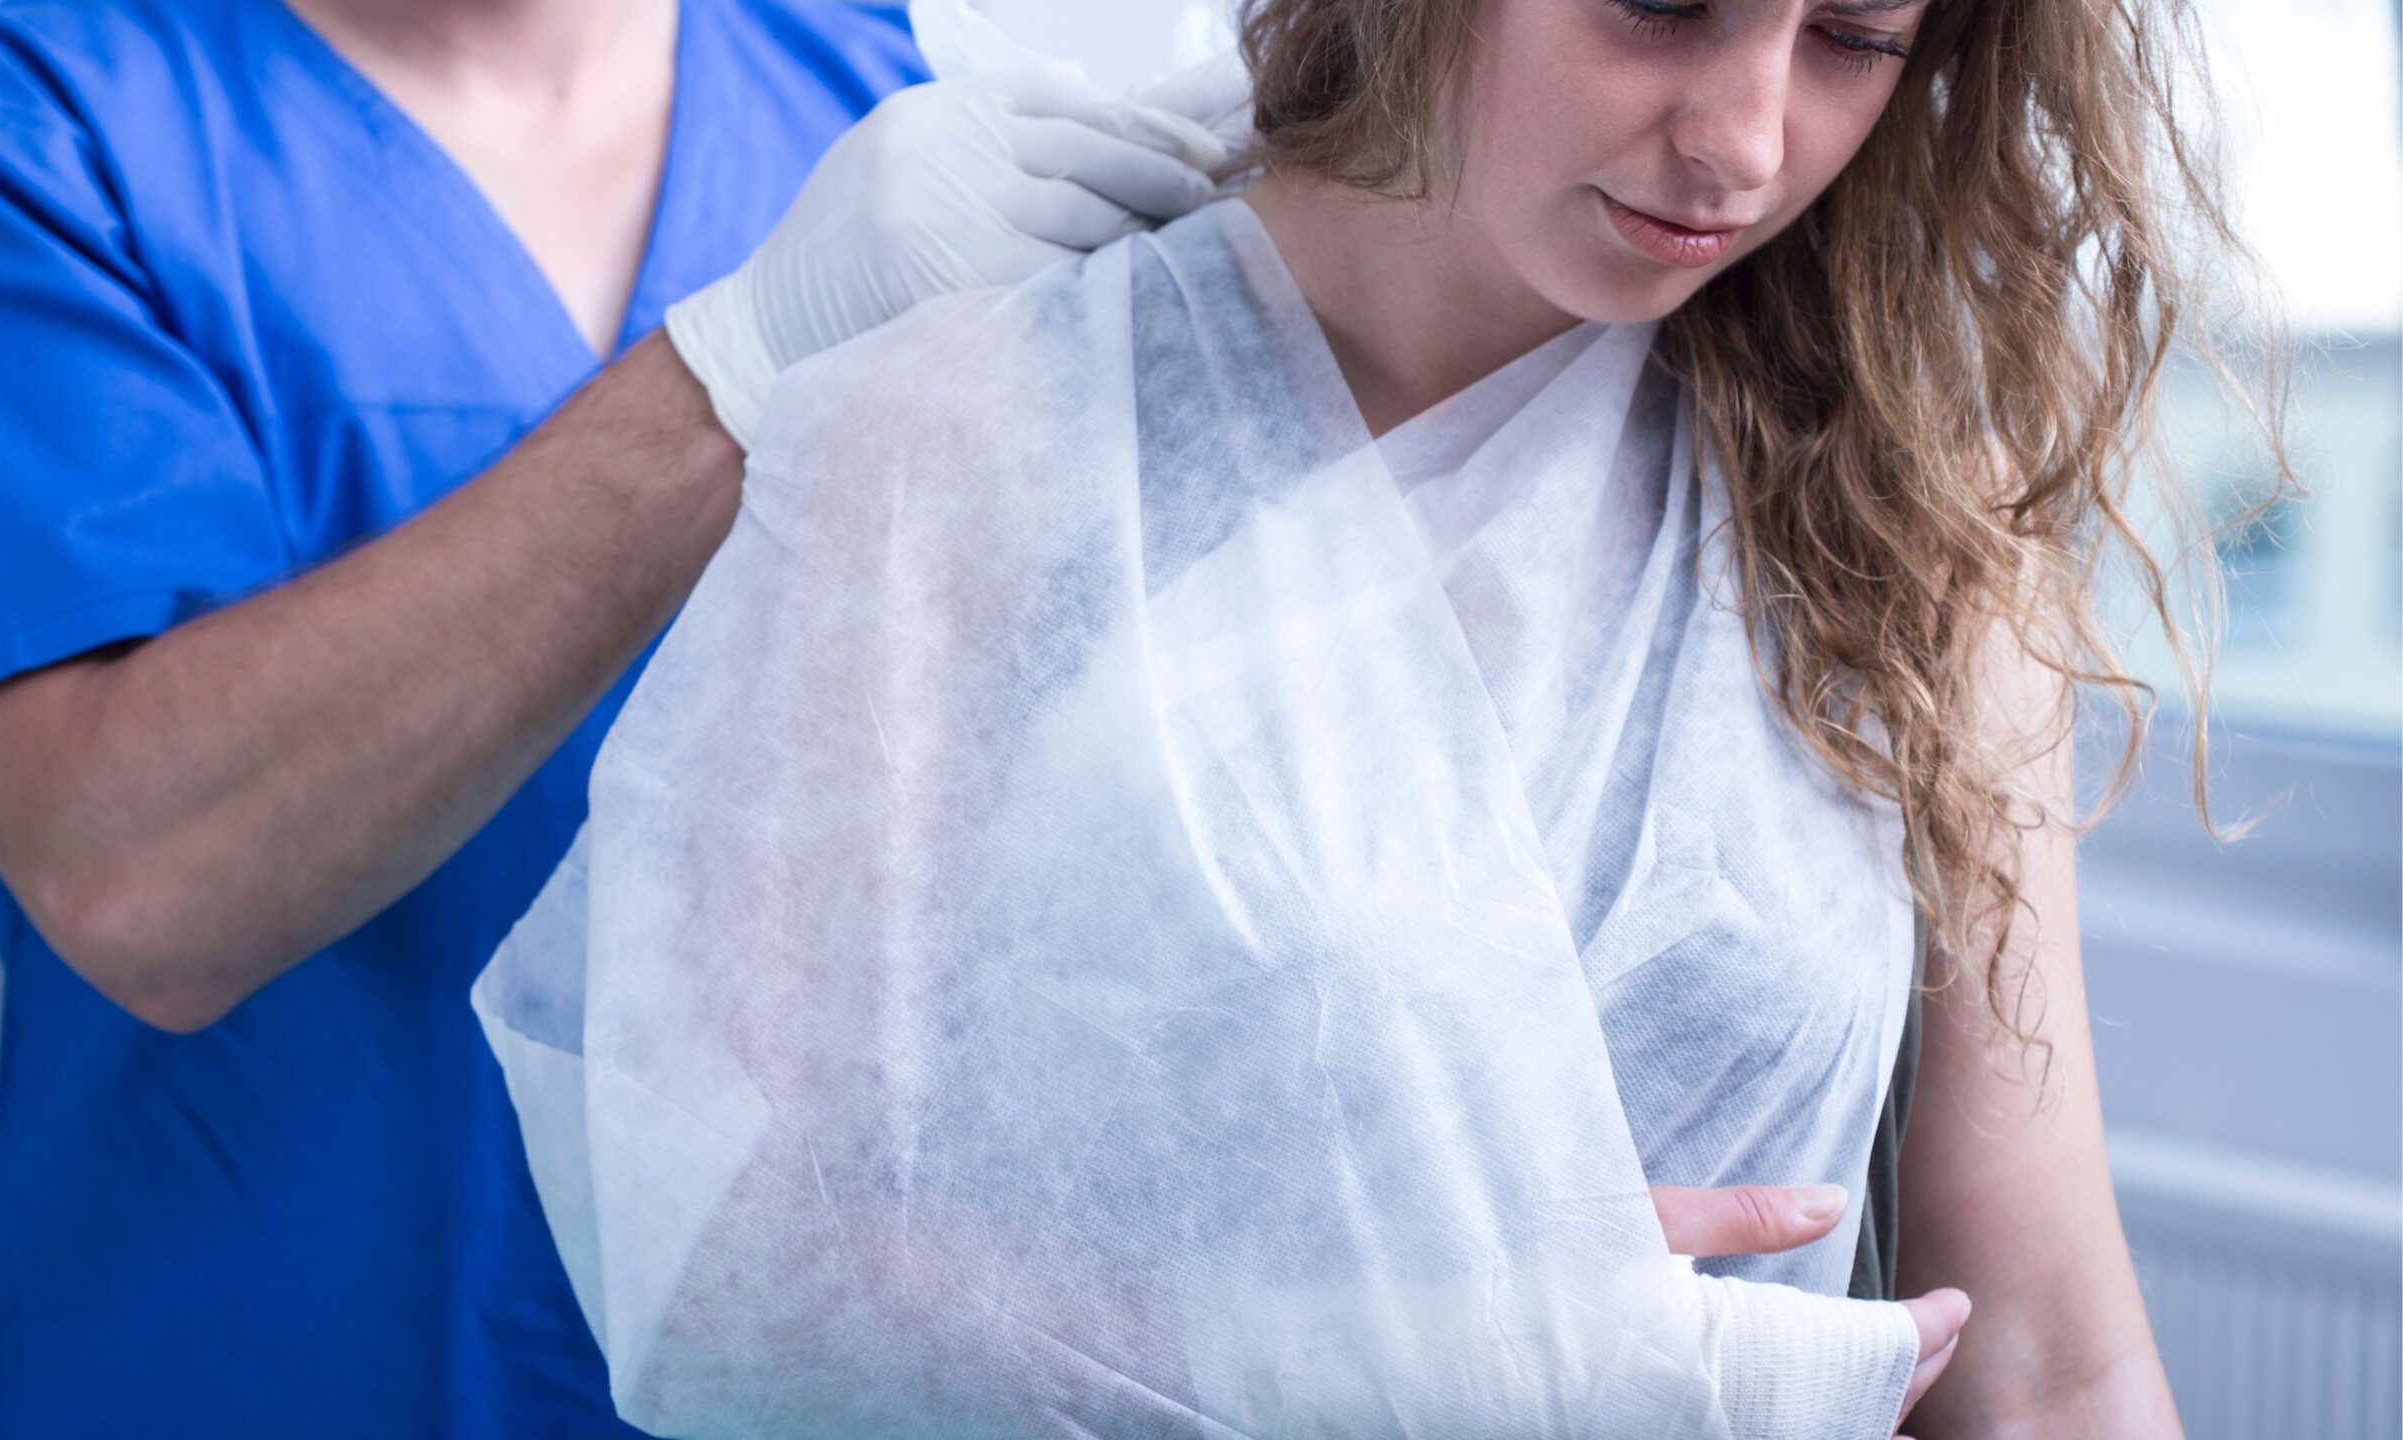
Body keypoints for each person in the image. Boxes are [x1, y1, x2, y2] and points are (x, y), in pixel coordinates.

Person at [0, 0, 1856, 1433]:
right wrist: (729, 365)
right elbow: (143, 878)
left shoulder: (888, 92)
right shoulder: (20, 131)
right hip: (272, 1355)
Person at [501, 0, 2278, 1435]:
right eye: (1663, 6)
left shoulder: (1908, 519)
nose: (1743, 138)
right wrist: (1370, 1344)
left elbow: (2040, 1361)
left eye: (1855, 38)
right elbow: (729, 1274)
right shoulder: (989, 438)